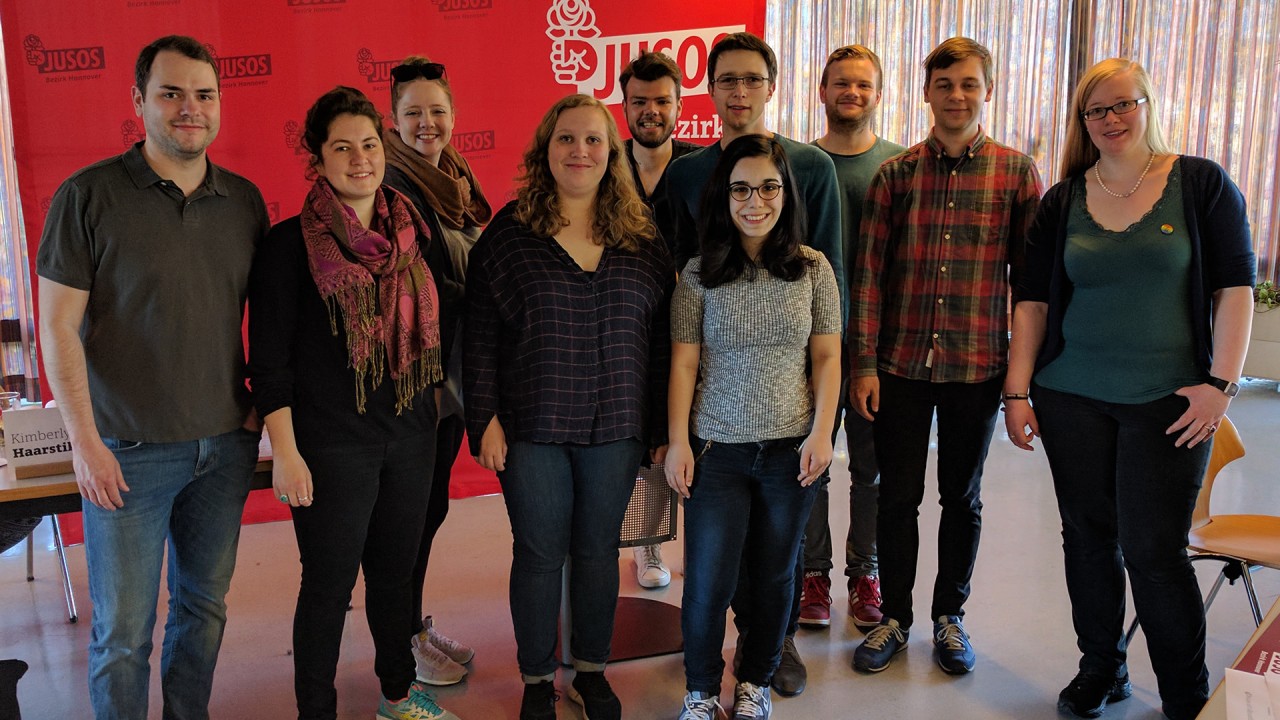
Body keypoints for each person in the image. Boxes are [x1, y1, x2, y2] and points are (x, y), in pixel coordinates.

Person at [1004, 59, 1255, 720]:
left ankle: (1184, 700)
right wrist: (1018, 391)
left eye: (1124, 105)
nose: (1112, 120)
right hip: (1071, 396)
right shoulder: (1062, 200)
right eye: (1097, 111)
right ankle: (1101, 668)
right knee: (1086, 538)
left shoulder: (1200, 183)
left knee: (1154, 553)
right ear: (1082, 122)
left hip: (1168, 404)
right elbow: (1030, 303)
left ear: (1148, 104)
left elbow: (1236, 288)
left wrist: (1220, 385)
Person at [35, 35, 266, 720]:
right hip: (126, 454)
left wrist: (263, 406)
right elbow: (57, 328)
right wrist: (84, 441)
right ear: (139, 103)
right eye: (171, 93)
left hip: (223, 450)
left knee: (203, 612)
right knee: (123, 635)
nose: (188, 108)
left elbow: (277, 321)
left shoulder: (244, 203)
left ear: (219, 106)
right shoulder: (87, 197)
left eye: (203, 95)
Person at [248, 86, 458, 720]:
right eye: (342, 147)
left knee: (395, 579)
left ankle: (397, 695)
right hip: (331, 444)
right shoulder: (287, 248)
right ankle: (317, 709)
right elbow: (270, 366)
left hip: (412, 435)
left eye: (369, 144)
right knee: (329, 587)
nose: (360, 159)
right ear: (318, 157)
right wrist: (285, 454)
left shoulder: (414, 231)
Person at [463, 94, 674, 720]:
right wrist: (485, 420)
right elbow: (478, 335)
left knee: (596, 552)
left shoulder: (640, 237)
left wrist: (661, 429)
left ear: (611, 153)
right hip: (531, 428)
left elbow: (662, 341)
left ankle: (590, 671)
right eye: (565, 139)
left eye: (592, 140)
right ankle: (535, 681)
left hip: (616, 427)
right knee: (536, 552)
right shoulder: (509, 233)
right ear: (545, 150)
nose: (579, 151)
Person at [850, 37, 1042, 675]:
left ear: (987, 90)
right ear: (926, 91)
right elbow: (870, 277)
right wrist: (866, 364)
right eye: (944, 84)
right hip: (901, 366)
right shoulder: (895, 176)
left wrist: (1019, 378)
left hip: (977, 367)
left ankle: (948, 617)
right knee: (896, 497)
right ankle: (896, 620)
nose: (956, 96)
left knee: (962, 497)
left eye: (968, 84)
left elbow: (1030, 286)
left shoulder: (1017, 174)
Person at [665, 30, 843, 696]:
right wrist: (678, 440)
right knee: (709, 581)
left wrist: (824, 431)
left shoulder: (814, 270)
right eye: (741, 190)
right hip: (718, 450)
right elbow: (683, 366)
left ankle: (756, 685)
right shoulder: (697, 275)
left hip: (792, 447)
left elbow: (827, 355)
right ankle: (701, 692)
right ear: (723, 196)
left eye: (768, 189)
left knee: (776, 575)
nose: (755, 201)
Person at [381, 55, 491, 686]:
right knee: (407, 520)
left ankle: (413, 625)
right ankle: (399, 645)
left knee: (429, 512)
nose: (428, 123)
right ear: (393, 122)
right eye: (414, 113)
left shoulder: (456, 179)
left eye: (437, 111)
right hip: (410, 386)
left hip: (451, 384)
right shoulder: (393, 188)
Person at [799, 44, 906, 631]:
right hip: (807, 348)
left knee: (872, 468)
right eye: (841, 83)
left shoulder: (899, 166)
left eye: (863, 85)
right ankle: (813, 574)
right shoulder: (797, 165)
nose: (852, 93)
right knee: (810, 461)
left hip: (877, 349)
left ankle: (865, 574)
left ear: (879, 95)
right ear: (822, 91)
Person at [619, 49, 700, 590]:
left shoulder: (699, 169)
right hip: (625, 334)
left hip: (694, 331)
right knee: (641, 444)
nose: (651, 111)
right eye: (639, 101)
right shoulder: (604, 165)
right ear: (623, 106)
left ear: (678, 106)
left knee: (694, 438)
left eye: (662, 101)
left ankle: (701, 549)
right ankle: (646, 545)